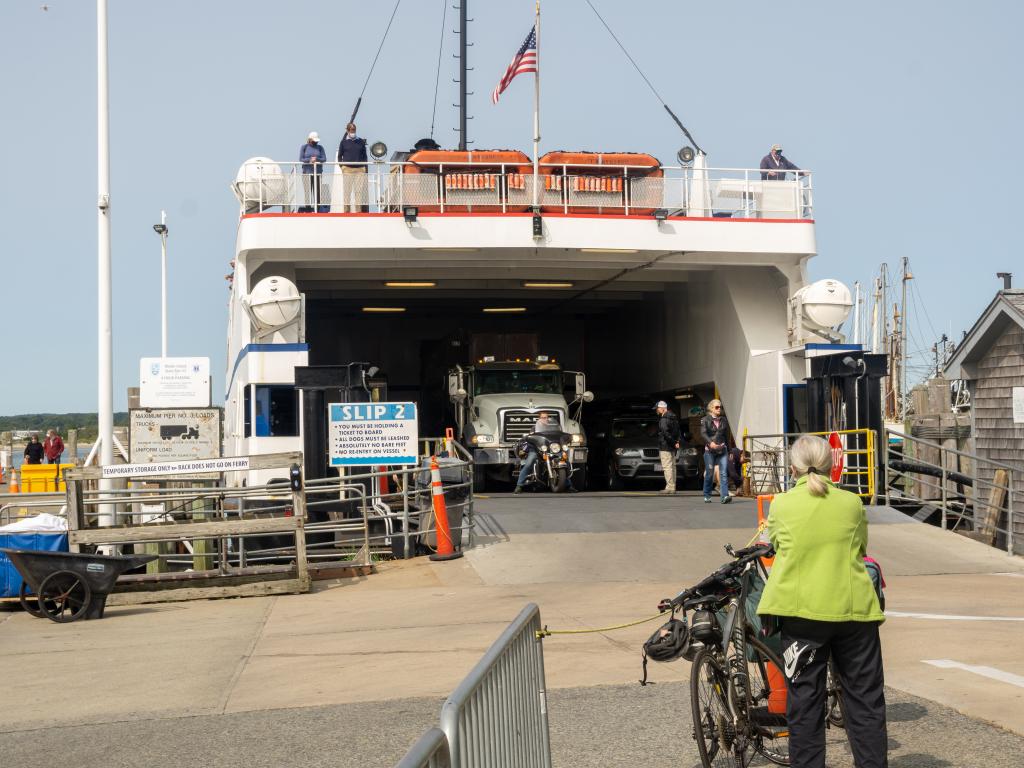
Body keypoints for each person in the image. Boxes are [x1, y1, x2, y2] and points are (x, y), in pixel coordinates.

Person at [757, 435, 887, 768]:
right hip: (854, 611)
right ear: (833, 465)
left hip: (801, 616)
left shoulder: (782, 504)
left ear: (792, 468)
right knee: (865, 701)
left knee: (804, 703)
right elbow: (860, 549)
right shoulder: (852, 503)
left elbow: (776, 544)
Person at [513, 411, 558, 494]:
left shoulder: (553, 428)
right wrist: (529, 436)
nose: (545, 419)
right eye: (543, 417)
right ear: (539, 419)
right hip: (536, 450)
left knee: (563, 460)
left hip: (550, 450)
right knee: (528, 463)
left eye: (546, 417)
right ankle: (519, 486)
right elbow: (530, 438)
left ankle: (568, 485)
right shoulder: (535, 428)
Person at [701, 399, 731, 503]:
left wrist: (730, 451)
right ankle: (707, 494)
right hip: (710, 451)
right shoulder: (705, 420)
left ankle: (724, 496)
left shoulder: (724, 420)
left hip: (723, 450)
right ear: (711, 409)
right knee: (709, 473)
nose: (719, 409)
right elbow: (703, 433)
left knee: (723, 473)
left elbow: (727, 436)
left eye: (720, 407)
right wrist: (710, 443)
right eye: (717, 407)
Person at [336, 122, 368, 212]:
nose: (353, 132)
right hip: (347, 169)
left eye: (354, 130)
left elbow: (364, 155)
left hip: (359, 169)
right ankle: (346, 211)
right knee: (347, 191)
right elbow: (339, 156)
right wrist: (342, 166)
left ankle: (358, 211)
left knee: (359, 191)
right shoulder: (343, 142)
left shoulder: (361, 141)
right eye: (351, 130)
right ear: (347, 130)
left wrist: (364, 166)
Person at [655, 401, 681, 494]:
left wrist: (673, 442)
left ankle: (669, 487)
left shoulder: (663, 419)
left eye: (657, 408)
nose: (657, 410)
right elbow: (678, 431)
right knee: (673, 466)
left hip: (665, 445)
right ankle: (673, 486)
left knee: (667, 467)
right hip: (672, 446)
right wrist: (676, 442)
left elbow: (665, 433)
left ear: (662, 408)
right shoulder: (674, 417)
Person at [299, 131, 328, 213]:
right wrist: (309, 160)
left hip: (317, 173)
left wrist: (317, 159)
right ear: (310, 139)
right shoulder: (304, 147)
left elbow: (324, 159)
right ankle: (308, 210)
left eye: (317, 140)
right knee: (307, 192)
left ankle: (318, 210)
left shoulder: (320, 148)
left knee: (317, 192)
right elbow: (301, 159)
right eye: (314, 140)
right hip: (306, 173)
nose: (316, 142)